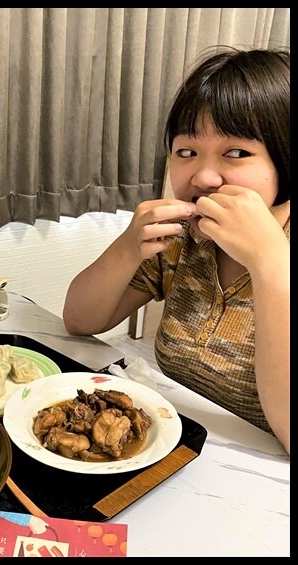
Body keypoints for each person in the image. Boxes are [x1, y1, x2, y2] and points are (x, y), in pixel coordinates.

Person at [62, 46, 290, 455]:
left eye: (236, 153)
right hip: (176, 451)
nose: (203, 177)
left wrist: (269, 261)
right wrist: (129, 245)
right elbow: (80, 321)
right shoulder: (183, 240)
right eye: (187, 152)